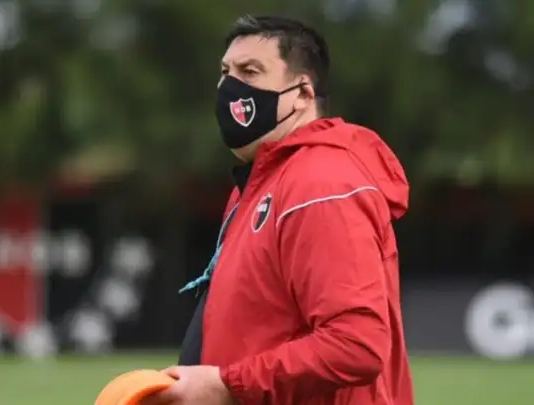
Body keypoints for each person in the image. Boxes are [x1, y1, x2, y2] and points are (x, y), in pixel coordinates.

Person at [146, 15, 414, 405]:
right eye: (225, 72)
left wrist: (226, 385)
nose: (229, 86)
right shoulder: (261, 183)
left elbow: (355, 344)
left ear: (303, 93)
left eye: (250, 71)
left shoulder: (322, 184)